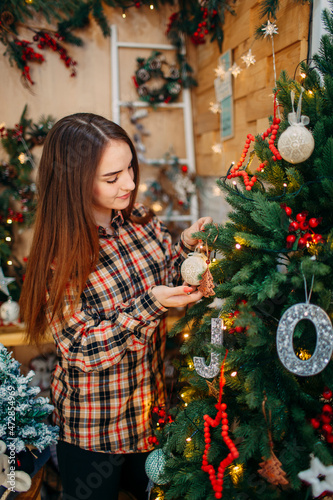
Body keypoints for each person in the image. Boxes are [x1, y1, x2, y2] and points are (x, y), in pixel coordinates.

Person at [20, 113, 212, 500]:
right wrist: (151, 305)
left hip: (151, 418)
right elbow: (81, 348)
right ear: (74, 183)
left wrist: (187, 249)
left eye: (129, 169)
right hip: (94, 433)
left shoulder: (139, 220)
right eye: (112, 178)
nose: (130, 183)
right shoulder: (61, 257)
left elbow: (167, 272)